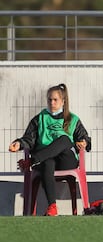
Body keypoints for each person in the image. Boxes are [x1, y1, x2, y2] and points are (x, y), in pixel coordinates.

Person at [9, 83, 91, 216]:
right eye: (49, 100)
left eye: (55, 100)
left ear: (63, 102)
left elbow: (84, 137)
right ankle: (52, 206)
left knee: (65, 139)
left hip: (66, 160)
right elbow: (29, 138)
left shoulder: (72, 119)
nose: (52, 103)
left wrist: (84, 142)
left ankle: (32, 161)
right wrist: (19, 143)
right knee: (47, 162)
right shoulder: (39, 119)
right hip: (46, 160)